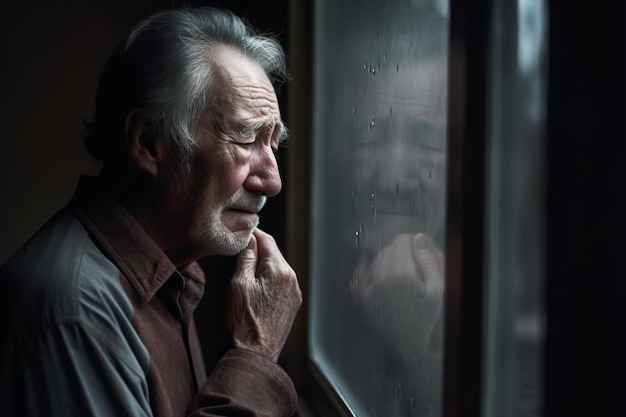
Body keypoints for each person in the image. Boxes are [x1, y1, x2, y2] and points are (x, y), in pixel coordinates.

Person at [0, 8, 302, 417]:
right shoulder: (76, 312)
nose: (272, 181)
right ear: (148, 143)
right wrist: (255, 355)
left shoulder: (168, 276)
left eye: (273, 144)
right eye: (247, 139)